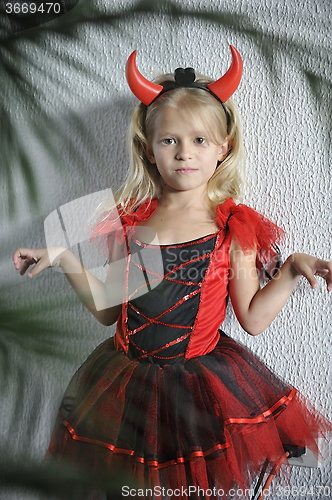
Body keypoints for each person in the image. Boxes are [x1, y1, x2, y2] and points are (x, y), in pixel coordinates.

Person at [13, 46, 332, 500]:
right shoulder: (134, 222)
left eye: (200, 140)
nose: (185, 153)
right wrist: (65, 257)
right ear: (149, 148)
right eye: (170, 141)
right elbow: (108, 312)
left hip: (195, 391)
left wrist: (293, 269)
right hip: (125, 384)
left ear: (224, 148)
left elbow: (254, 320)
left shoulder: (233, 229)